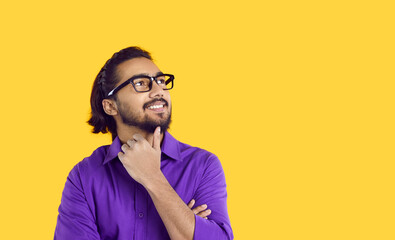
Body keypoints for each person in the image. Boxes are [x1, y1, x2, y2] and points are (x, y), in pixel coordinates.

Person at [54, 46, 233, 240]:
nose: (158, 90)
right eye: (141, 83)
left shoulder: (203, 166)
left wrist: (153, 177)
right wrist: (185, 223)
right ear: (110, 105)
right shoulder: (85, 176)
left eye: (161, 81)